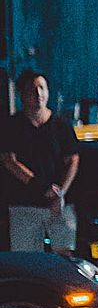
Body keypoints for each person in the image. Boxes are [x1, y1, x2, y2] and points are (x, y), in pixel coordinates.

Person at [0, 71, 79, 252]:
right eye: (32, 89)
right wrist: (41, 187)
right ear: (22, 94)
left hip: (60, 206)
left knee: (64, 258)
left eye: (42, 88)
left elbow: (73, 159)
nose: (38, 94)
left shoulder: (61, 125)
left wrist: (60, 192)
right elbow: (10, 161)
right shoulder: (11, 126)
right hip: (24, 206)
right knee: (27, 260)